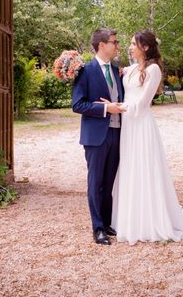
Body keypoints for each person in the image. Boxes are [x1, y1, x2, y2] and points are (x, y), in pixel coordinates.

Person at [111, 30, 183, 245]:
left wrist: (117, 108)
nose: (129, 47)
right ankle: (129, 217)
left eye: (134, 44)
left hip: (141, 125)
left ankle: (149, 221)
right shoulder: (131, 69)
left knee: (144, 168)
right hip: (128, 126)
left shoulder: (153, 70)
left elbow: (142, 104)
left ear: (146, 47)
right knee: (129, 167)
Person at [72, 28, 126, 245]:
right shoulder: (85, 71)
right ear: (102, 45)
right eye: (114, 42)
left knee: (109, 182)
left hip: (117, 134)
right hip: (95, 137)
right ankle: (97, 229)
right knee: (96, 183)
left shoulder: (117, 71)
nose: (117, 45)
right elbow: (77, 104)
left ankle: (106, 222)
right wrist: (105, 109)